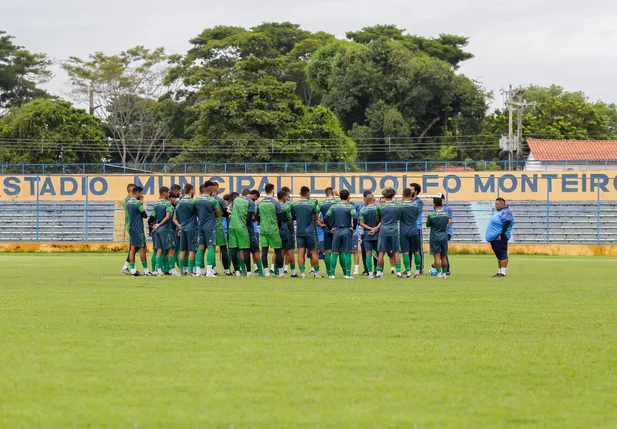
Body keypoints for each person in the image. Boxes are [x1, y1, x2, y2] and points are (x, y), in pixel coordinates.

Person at [325, 190, 357, 279]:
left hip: (337, 231)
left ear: (340, 197)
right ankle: (347, 274)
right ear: (348, 197)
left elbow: (325, 218)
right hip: (346, 230)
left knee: (334, 252)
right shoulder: (350, 207)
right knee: (347, 253)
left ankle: (331, 274)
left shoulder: (333, 206)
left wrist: (330, 227)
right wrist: (353, 228)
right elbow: (355, 217)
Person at [291, 186, 323, 278]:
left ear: (300, 193)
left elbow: (294, 216)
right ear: (308, 193)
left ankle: (302, 273)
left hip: (299, 231)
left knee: (301, 253)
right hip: (310, 232)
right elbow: (316, 217)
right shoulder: (312, 204)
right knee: (314, 253)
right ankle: (316, 273)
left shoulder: (295, 205)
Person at [256, 183, 285, 277]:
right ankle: (280, 272)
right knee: (278, 251)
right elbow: (280, 217)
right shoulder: (275, 203)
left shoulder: (260, 202)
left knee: (264, 251)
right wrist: (279, 226)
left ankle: (266, 272)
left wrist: (261, 222)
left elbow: (256, 216)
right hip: (273, 229)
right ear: (273, 190)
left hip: (263, 229)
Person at [148, 186, 176, 276]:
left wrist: (153, 227)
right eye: (168, 193)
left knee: (158, 250)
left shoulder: (156, 204)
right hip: (165, 229)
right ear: (164, 193)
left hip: (156, 230)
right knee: (170, 250)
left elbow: (151, 217)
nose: (169, 194)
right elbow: (168, 217)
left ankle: (157, 269)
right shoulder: (168, 204)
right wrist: (160, 224)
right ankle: (172, 270)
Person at [196, 181, 221, 277]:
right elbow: (218, 214)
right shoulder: (213, 201)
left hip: (200, 226)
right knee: (211, 247)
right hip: (210, 227)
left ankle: (199, 271)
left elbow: (197, 212)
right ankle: (209, 272)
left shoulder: (197, 200)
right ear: (210, 189)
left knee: (200, 248)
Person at [376, 187, 402, 278]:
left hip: (383, 230)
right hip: (394, 230)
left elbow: (378, 219)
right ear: (393, 195)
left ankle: (378, 273)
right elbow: (398, 218)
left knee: (381, 252)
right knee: (396, 252)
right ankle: (399, 273)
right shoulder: (397, 206)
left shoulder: (380, 207)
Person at [126, 186, 152, 276]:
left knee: (132, 249)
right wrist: (142, 202)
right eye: (141, 193)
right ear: (137, 193)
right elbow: (144, 215)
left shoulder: (129, 201)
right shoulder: (137, 203)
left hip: (131, 227)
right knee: (142, 248)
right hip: (138, 228)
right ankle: (146, 271)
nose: (141, 195)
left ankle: (133, 270)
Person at [228, 190, 255, 276]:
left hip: (232, 225)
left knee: (234, 249)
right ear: (250, 195)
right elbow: (249, 217)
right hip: (241, 226)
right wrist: (245, 225)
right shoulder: (250, 202)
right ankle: (249, 272)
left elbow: (230, 211)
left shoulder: (236, 199)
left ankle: (236, 271)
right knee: (246, 250)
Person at [486, 198, 514, 278]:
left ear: (502, 204)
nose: (495, 206)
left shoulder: (506, 211)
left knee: (502, 254)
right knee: (499, 255)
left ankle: (503, 273)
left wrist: (501, 234)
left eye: (497, 204)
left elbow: (508, 221)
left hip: (500, 238)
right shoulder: (501, 212)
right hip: (495, 238)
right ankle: (499, 272)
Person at [426, 197, 452, 279]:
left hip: (434, 237)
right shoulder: (446, 214)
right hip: (444, 237)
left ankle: (439, 274)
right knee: (444, 256)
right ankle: (444, 274)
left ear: (434, 204)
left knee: (436, 257)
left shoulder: (431, 215)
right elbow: (448, 223)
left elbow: (427, 224)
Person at [399, 188, 422, 278]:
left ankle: (408, 273)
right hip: (414, 230)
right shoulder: (415, 205)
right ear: (410, 195)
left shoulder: (400, 206)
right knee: (416, 252)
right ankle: (417, 272)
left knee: (405, 252)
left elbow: (398, 217)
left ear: (402, 195)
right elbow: (416, 216)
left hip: (404, 231)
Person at [210, 181, 232, 275]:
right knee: (223, 249)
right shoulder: (219, 200)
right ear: (216, 189)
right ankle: (226, 270)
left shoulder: (206, 199)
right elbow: (225, 213)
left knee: (211, 249)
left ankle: (212, 270)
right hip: (218, 227)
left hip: (208, 227)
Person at [358, 193, 380, 278]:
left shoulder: (363, 210)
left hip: (367, 234)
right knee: (379, 253)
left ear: (366, 200)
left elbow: (361, 223)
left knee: (368, 254)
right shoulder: (378, 209)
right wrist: (375, 228)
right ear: (374, 200)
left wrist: (370, 229)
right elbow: (382, 221)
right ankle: (378, 272)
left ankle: (370, 273)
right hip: (378, 233)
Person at [277, 190, 297, 277]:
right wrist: (290, 228)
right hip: (287, 231)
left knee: (280, 251)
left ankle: (278, 271)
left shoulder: (275, 205)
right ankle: (293, 272)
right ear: (284, 197)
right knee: (290, 251)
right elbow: (290, 220)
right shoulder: (286, 206)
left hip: (277, 230)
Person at [320, 187, 338, 276]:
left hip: (327, 229)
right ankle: (345, 272)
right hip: (337, 229)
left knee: (327, 251)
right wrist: (338, 194)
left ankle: (329, 272)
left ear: (325, 194)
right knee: (339, 251)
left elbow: (314, 215)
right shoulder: (338, 202)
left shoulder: (322, 203)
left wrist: (320, 223)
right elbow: (347, 201)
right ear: (333, 193)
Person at [409, 183, 425, 274]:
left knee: (418, 249)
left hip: (417, 227)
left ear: (416, 191)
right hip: (408, 227)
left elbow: (414, 213)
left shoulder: (419, 202)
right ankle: (409, 268)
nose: (410, 191)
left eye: (411, 190)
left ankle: (420, 268)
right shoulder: (408, 201)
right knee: (408, 249)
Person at [121, 183, 136, 275]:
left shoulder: (128, 200)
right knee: (134, 246)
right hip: (131, 225)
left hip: (131, 224)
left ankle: (126, 266)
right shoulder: (129, 200)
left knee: (134, 246)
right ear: (131, 191)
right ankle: (128, 267)